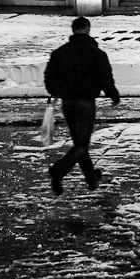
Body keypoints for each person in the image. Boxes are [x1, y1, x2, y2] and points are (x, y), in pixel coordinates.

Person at [44, 16, 120, 194]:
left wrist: (57, 91)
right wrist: (113, 95)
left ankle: (91, 178)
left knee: (79, 143)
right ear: (87, 29)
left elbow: (49, 77)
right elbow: (105, 78)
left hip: (68, 102)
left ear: (73, 30)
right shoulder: (96, 53)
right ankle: (58, 170)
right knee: (81, 145)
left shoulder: (60, 53)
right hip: (86, 102)